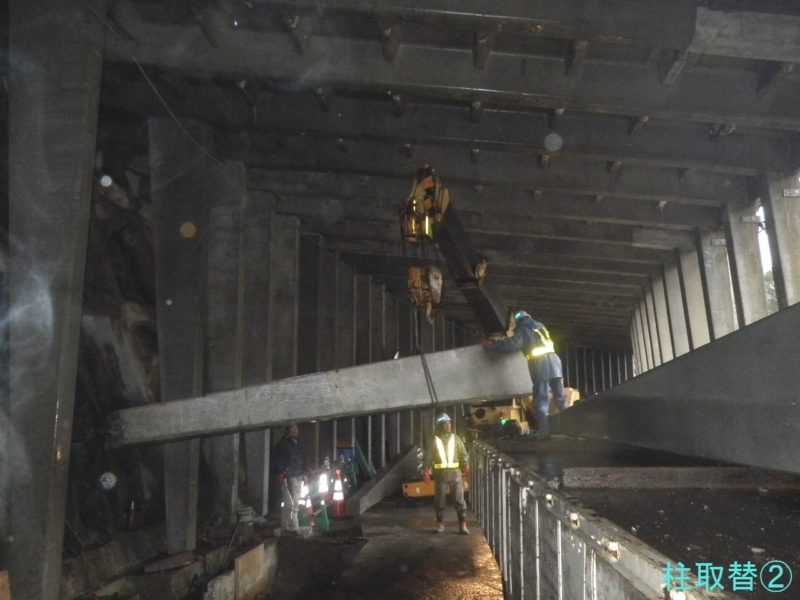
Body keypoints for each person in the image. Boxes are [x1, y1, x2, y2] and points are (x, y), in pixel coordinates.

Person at [482, 311, 565, 439]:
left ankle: (543, 433)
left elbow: (512, 345)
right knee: (560, 398)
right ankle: (569, 429)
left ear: (517, 321)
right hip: (555, 362)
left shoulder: (523, 327)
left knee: (541, 400)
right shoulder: (540, 326)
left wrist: (491, 346)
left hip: (541, 364)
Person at [423, 413, 471, 534]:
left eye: (449, 423)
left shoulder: (456, 439)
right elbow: (428, 457)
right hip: (440, 474)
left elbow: (463, 454)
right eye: (445, 424)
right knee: (439, 500)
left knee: (459, 499)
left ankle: (463, 525)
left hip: (455, 474)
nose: (448, 425)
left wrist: (466, 466)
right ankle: (440, 524)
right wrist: (427, 470)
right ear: (440, 426)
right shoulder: (435, 441)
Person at [273, 423, 308, 532]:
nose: (296, 429)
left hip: (297, 476)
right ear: (287, 430)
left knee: (294, 502)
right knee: (291, 503)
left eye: (296, 427)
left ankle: (289, 526)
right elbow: (277, 459)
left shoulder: (297, 443)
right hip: (287, 477)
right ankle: (290, 527)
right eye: (293, 427)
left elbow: (301, 458)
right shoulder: (283, 444)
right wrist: (280, 473)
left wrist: (305, 472)